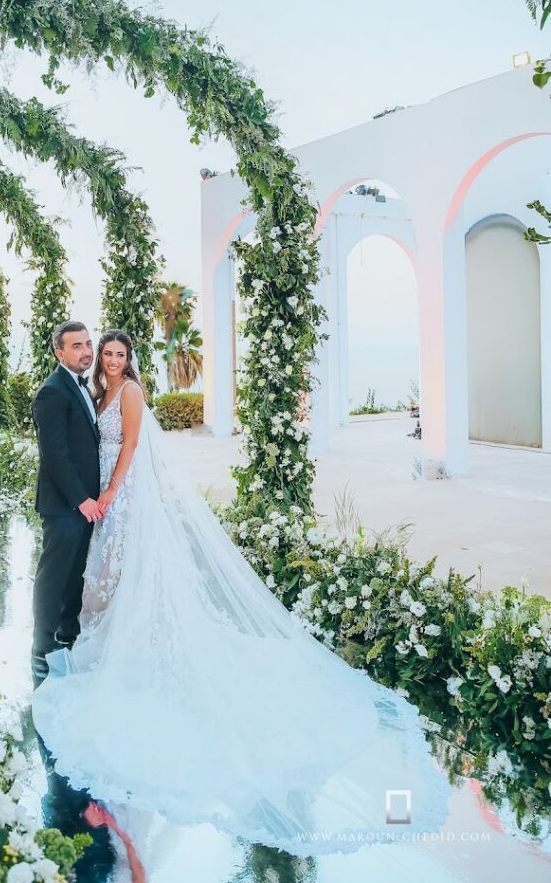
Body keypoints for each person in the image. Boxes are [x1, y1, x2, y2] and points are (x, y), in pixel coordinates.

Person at [32, 329, 452, 857]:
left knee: (128, 576)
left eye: (116, 353)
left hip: (125, 496)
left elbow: (132, 445)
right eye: (103, 353)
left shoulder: (131, 393)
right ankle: (114, 642)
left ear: (128, 359)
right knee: (109, 580)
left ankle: (138, 650)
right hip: (103, 501)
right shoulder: (96, 393)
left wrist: (112, 491)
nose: (108, 359)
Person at [31, 321, 102, 687]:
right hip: (64, 506)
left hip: (85, 505)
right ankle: (41, 649)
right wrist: (82, 500)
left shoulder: (81, 387)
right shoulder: (52, 392)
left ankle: (67, 636)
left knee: (75, 574)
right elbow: (55, 456)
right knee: (53, 577)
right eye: (77, 346)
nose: (86, 351)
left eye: (88, 344)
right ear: (61, 353)